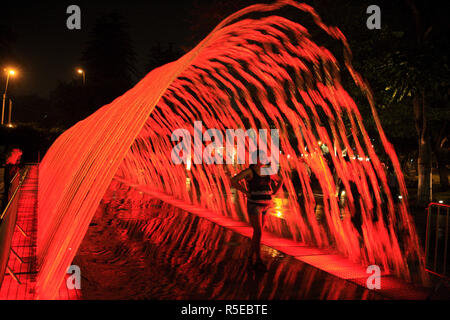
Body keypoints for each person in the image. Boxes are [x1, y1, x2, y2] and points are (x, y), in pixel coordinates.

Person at [230, 151, 283, 270]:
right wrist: (246, 192)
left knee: (258, 233)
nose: (264, 159)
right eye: (262, 157)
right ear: (256, 159)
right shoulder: (250, 171)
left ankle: (250, 256)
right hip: (255, 205)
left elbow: (280, 180)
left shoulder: (267, 171)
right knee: (258, 232)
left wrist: (274, 192)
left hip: (266, 206)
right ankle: (258, 259)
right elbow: (233, 180)